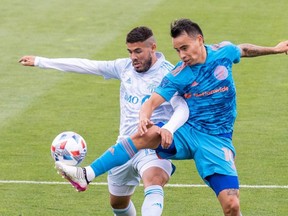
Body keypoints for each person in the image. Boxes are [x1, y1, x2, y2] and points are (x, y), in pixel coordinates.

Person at [46, 19, 288, 216]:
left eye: (185, 48)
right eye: (177, 50)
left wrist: (275, 49)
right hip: (189, 132)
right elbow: (152, 101)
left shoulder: (222, 53)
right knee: (147, 133)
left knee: (232, 205)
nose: (181, 55)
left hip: (217, 139)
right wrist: (145, 117)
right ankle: (86, 174)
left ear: (199, 40)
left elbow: (243, 49)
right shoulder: (177, 75)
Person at [19, 26, 189, 216]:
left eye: (138, 51)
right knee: (118, 204)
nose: (133, 57)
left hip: (152, 146)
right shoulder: (124, 67)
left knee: (154, 180)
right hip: (123, 147)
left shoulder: (169, 74)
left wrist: (169, 128)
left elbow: (182, 107)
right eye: (130, 52)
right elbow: (88, 65)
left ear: (153, 48)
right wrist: (41, 61)